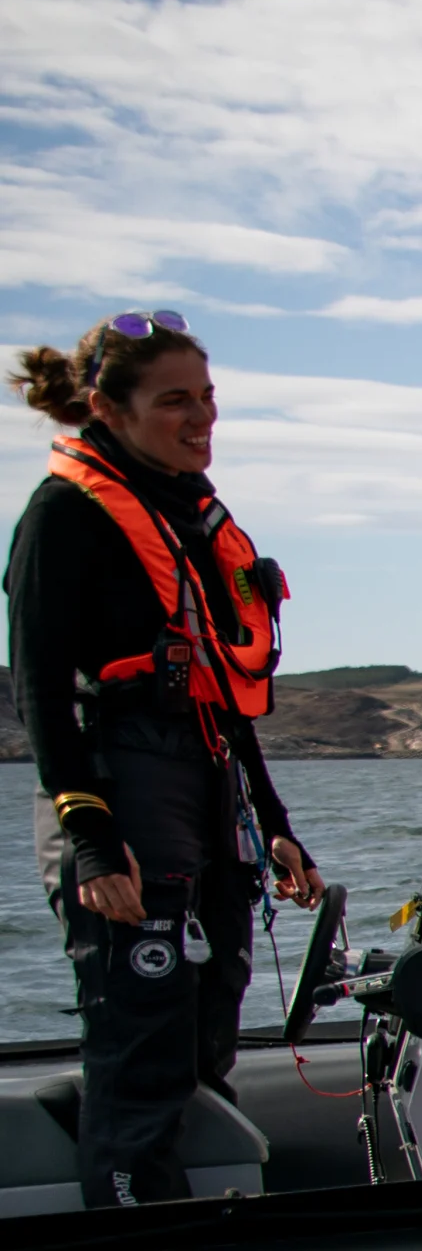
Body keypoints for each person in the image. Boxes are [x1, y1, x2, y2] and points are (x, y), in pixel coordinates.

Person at [10, 312, 327, 1204]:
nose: (201, 420)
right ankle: (130, 1238)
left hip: (206, 787)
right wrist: (95, 844)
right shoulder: (62, 518)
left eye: (209, 398)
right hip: (121, 794)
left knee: (205, 1041)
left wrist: (276, 827)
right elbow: (40, 693)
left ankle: (209, 1230)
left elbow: (226, 692)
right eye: (175, 402)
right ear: (108, 409)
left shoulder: (188, 518)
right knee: (142, 1048)